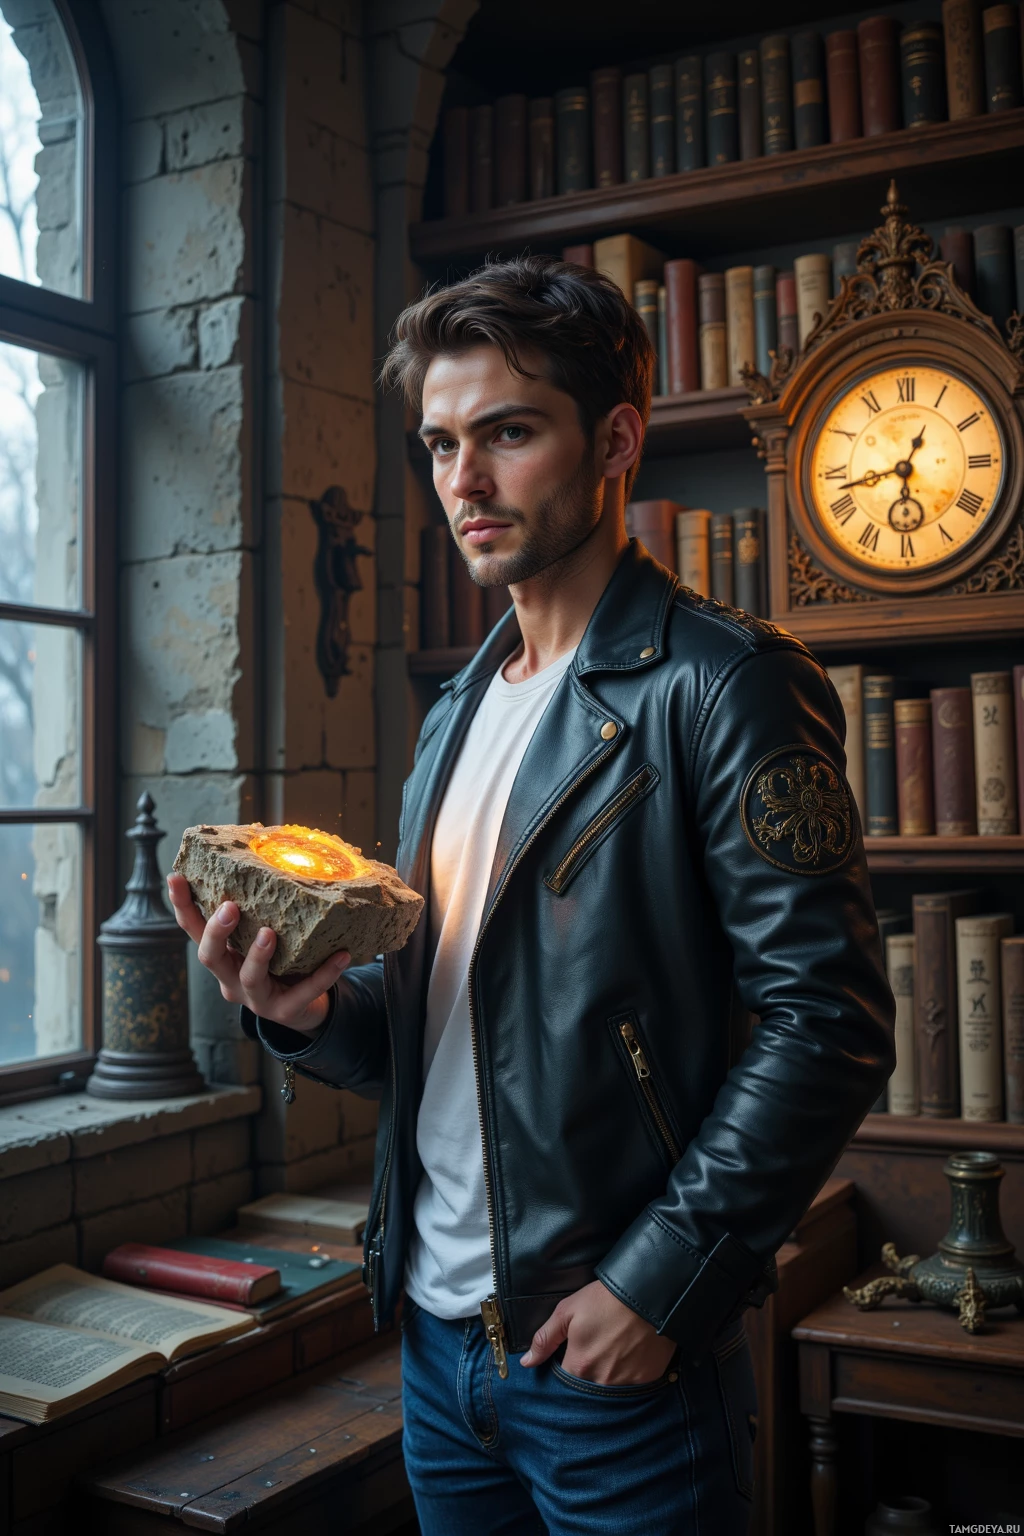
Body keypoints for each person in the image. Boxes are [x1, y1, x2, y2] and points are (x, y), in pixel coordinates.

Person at [168, 254, 895, 1536]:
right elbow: (433, 1027)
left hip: (611, 1357)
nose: (463, 480)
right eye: (441, 442)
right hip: (439, 1348)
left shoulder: (724, 687)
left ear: (616, 438)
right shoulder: (455, 712)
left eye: (507, 432)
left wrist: (658, 1287)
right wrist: (293, 1011)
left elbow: (827, 1023)